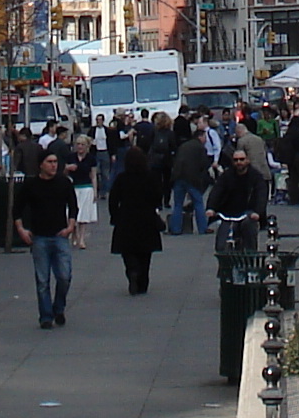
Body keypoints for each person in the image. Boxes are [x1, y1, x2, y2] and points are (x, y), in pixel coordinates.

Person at [14, 152, 78, 328]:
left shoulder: (64, 183)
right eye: (49, 162)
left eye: (56, 162)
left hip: (60, 235)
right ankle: (46, 316)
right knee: (43, 281)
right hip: (39, 237)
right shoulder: (31, 185)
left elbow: (73, 206)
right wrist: (21, 229)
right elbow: (17, 208)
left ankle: (59, 307)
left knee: (64, 276)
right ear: (40, 164)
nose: (53, 165)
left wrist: (71, 226)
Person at [105, 145, 165, 294]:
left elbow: (113, 199)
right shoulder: (150, 177)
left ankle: (132, 270)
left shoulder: (122, 178)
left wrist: (115, 215)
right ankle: (143, 281)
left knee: (128, 250)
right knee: (145, 253)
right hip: (147, 218)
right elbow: (158, 196)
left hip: (126, 218)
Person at [207, 146, 271, 253]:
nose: (239, 162)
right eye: (236, 160)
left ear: (247, 160)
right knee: (221, 244)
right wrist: (211, 208)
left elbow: (261, 195)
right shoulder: (227, 175)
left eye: (242, 159)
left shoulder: (255, 177)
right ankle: (224, 264)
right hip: (227, 213)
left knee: (248, 230)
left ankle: (250, 259)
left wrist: (258, 212)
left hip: (247, 212)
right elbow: (217, 191)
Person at [167, 114, 213, 236]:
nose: (206, 140)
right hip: (192, 179)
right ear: (200, 136)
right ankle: (202, 228)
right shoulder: (200, 148)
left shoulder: (184, 146)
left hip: (179, 177)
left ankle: (175, 228)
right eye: (204, 137)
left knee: (178, 204)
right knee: (198, 203)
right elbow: (204, 164)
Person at [66, 135, 100, 248]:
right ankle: (74, 235)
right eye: (78, 144)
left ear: (87, 146)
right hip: (73, 187)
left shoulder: (91, 158)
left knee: (84, 215)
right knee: (73, 214)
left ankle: (81, 239)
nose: (80, 147)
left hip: (86, 187)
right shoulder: (70, 157)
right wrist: (68, 168)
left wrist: (95, 191)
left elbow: (93, 175)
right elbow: (64, 173)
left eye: (82, 144)